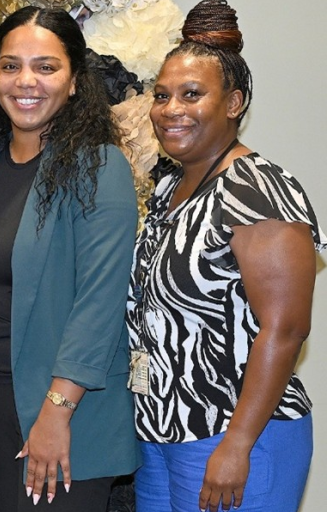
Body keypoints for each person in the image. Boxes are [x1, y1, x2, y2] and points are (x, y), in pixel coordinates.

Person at [128, 1, 323, 511]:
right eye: (162, 95)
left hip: (238, 434)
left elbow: (285, 330)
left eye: (192, 95)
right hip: (160, 432)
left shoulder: (258, 190)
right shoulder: (171, 185)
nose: (171, 109)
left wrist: (237, 446)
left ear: (234, 103)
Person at [0, 6, 140, 511]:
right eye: (10, 66)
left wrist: (55, 413)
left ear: (74, 81)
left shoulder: (99, 166)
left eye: (45, 66)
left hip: (65, 414)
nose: (25, 80)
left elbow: (100, 302)